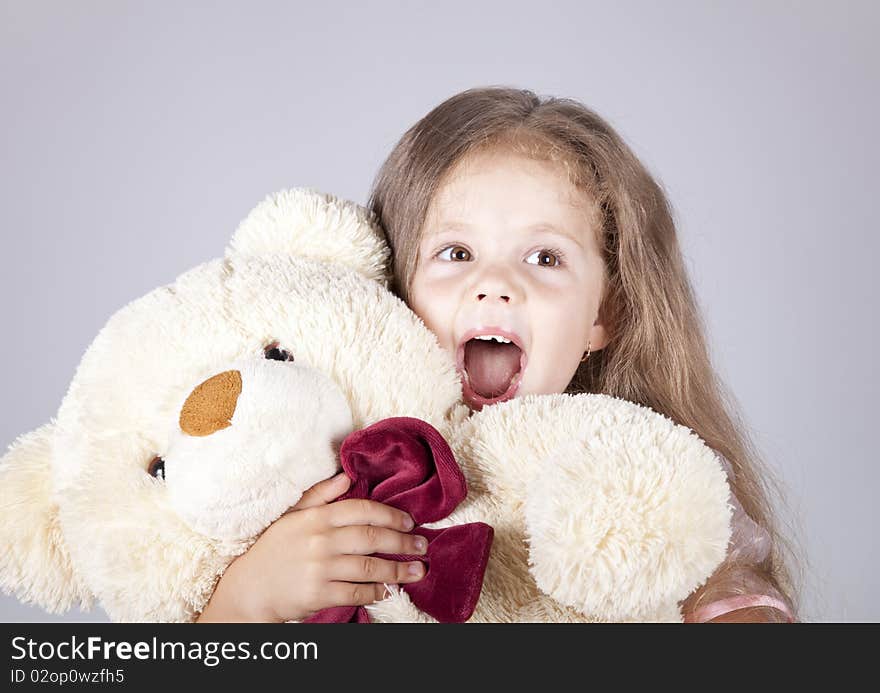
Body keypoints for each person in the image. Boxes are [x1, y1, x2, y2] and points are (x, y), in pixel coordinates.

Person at [198, 87, 800, 623]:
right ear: (393, 285)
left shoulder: (648, 467)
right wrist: (246, 599)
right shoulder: (315, 468)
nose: (494, 283)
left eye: (545, 258)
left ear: (602, 315)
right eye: (456, 253)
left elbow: (740, 602)